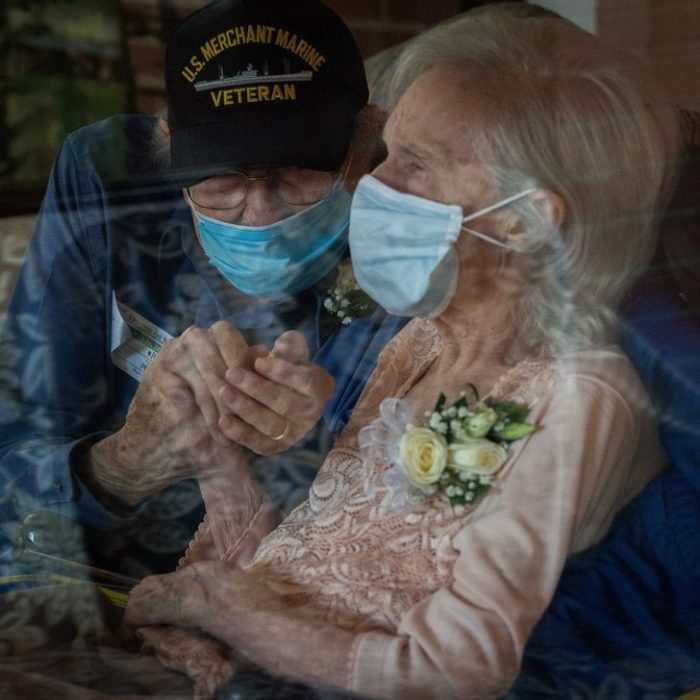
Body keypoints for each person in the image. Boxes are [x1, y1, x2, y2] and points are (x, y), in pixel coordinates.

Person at [124, 10, 680, 698]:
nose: (368, 183)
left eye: (413, 164)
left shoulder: (579, 397)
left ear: (525, 219)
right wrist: (212, 447)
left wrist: (224, 610)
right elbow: (315, 564)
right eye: (385, 152)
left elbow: (454, 669)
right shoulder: (419, 340)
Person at [0, 0, 402, 579]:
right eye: (221, 179)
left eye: (298, 174)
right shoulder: (107, 182)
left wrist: (322, 455)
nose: (260, 213)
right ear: (168, 146)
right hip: (107, 580)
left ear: (364, 146)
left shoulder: (406, 220)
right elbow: (17, 442)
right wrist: (124, 463)